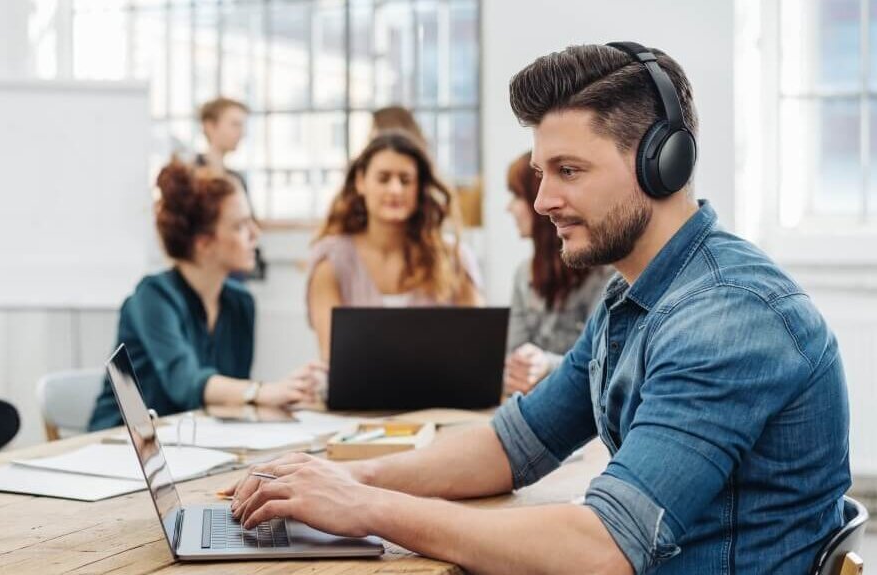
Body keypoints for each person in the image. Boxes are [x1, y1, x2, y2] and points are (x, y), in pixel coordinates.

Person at [224, 43, 850, 574]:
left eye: (569, 171)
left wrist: (364, 509)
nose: (544, 199)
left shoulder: (728, 318)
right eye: (540, 172)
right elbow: (514, 444)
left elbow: (603, 547)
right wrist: (350, 479)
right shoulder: (632, 299)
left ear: (663, 163)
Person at [88, 160, 320, 431]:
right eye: (240, 226)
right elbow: (184, 383)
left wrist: (290, 390)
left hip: (193, 446)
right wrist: (260, 391)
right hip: (119, 449)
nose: (255, 234)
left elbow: (230, 399)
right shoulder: (152, 297)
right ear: (204, 243)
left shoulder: (240, 303)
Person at [306, 130, 484, 359]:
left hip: (443, 395)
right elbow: (332, 354)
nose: (395, 190)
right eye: (383, 178)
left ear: (419, 187)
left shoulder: (455, 258)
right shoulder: (330, 261)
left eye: (405, 180)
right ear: (361, 182)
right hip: (359, 394)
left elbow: (478, 347)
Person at [503, 152, 612, 395]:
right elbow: (510, 362)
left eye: (517, 196)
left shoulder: (607, 275)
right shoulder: (524, 275)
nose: (508, 208)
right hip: (536, 406)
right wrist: (518, 371)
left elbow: (604, 367)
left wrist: (546, 365)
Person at [195, 97, 265, 279]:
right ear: (210, 126)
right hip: (203, 269)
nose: (241, 133)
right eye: (235, 125)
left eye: (242, 126)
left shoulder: (236, 179)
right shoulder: (190, 177)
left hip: (234, 270)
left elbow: (250, 223)